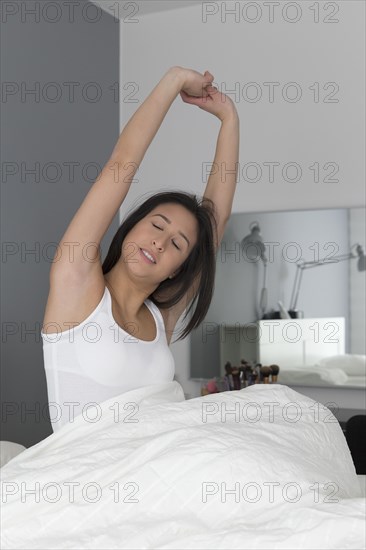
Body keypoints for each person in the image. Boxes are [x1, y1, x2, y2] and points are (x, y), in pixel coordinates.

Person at [41, 66, 240, 431]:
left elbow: (217, 221)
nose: (159, 242)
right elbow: (121, 164)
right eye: (156, 225)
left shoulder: (160, 317)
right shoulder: (76, 284)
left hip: (161, 458)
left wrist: (229, 118)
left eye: (177, 244)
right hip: (100, 476)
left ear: (178, 268)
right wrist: (175, 79)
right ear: (132, 225)